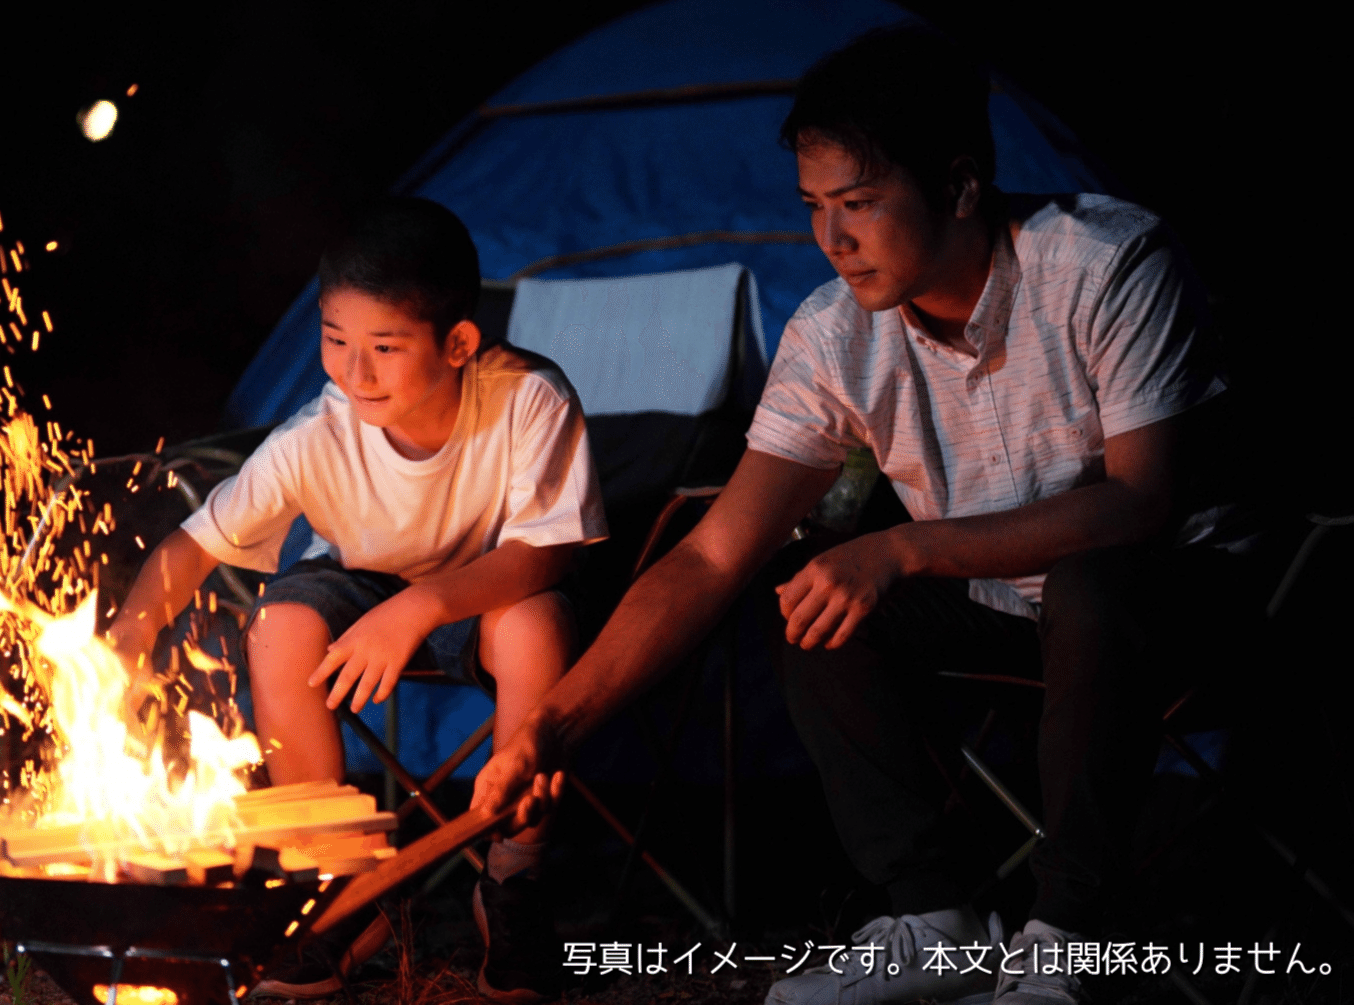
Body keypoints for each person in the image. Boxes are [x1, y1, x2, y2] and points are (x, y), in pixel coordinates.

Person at [473, 27, 1256, 1005]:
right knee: (812, 598)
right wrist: (549, 726)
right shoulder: (835, 334)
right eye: (813, 209)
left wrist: (905, 547)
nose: (831, 241)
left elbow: (1144, 502)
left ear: (962, 186)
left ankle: (1068, 942)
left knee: (1086, 584)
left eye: (860, 205)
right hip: (1003, 613)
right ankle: (935, 917)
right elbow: (714, 555)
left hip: (1177, 606)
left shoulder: (1107, 263)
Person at [108, 198, 604, 1002]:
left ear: (458, 344)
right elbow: (193, 544)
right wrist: (123, 646)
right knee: (278, 626)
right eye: (335, 340)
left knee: (537, 624)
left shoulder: (528, 400)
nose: (353, 371)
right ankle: (341, 884)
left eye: (383, 347)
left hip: (488, 585)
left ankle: (511, 880)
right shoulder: (319, 435)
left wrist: (419, 608)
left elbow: (544, 552)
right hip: (358, 578)